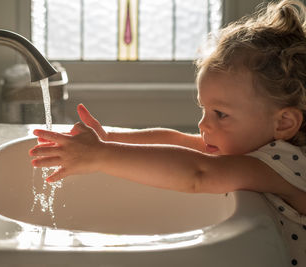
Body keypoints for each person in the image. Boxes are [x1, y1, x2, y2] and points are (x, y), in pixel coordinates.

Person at [29, 0, 306, 265]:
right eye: (204, 110)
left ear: (283, 123)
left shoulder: (286, 162)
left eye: (220, 114)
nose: (204, 126)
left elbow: (199, 174)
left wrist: (101, 156)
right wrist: (109, 140)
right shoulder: (247, 148)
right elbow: (175, 140)